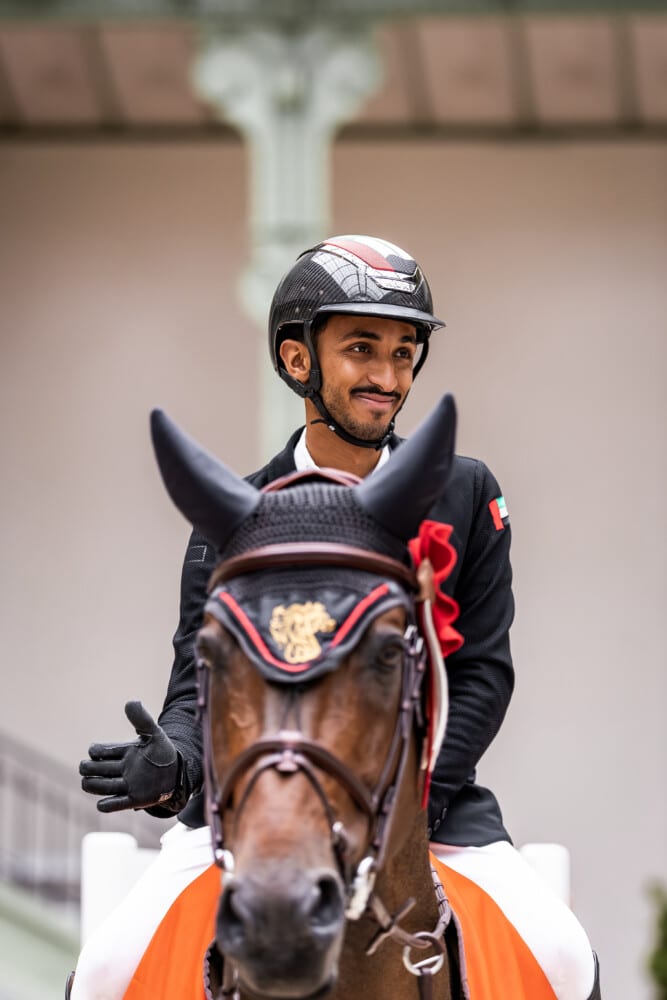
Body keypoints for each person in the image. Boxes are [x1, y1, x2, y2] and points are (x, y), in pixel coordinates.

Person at [73, 234, 601, 1000]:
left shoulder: (465, 493)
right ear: (297, 360)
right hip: (258, 813)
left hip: (425, 809)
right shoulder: (238, 515)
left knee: (562, 952)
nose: (388, 377)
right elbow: (198, 686)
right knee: (102, 970)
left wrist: (400, 806)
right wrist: (176, 768)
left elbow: (481, 673)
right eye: (362, 349)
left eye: (403, 352)